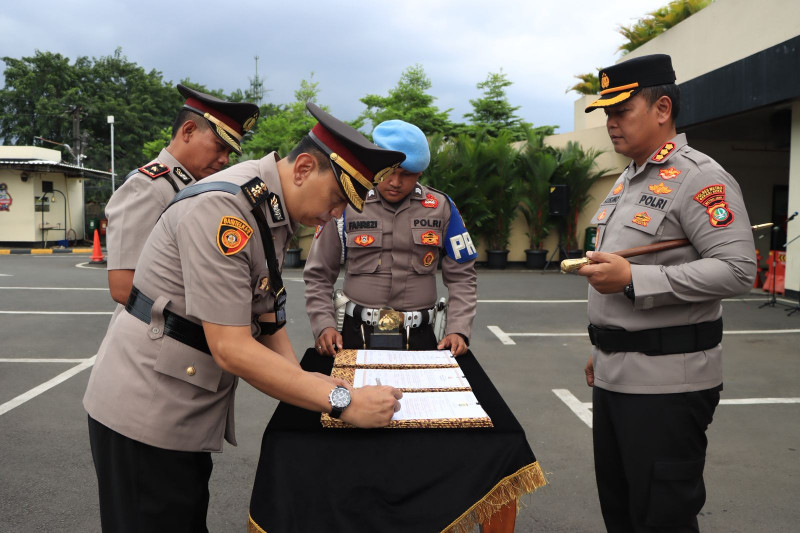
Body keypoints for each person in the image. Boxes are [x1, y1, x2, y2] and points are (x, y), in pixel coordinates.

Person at [83, 103, 405, 532]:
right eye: (336, 200)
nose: (337, 216)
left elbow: (268, 318)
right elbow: (232, 347)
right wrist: (342, 403)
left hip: (181, 404)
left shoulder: (270, 205)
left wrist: (325, 389)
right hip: (146, 410)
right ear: (304, 167)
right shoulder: (224, 210)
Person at [579, 54, 756, 532]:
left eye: (621, 111)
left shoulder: (701, 177)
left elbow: (739, 270)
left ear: (662, 108)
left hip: (668, 385)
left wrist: (635, 281)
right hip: (618, 375)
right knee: (622, 513)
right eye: (607, 115)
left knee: (661, 519)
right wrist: (604, 343)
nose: (611, 124)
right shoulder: (628, 178)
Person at [304, 119, 478, 356]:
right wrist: (324, 324)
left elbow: (463, 277)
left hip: (421, 339)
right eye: (389, 173)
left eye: (407, 175)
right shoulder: (347, 204)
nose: (396, 183)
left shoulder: (441, 207)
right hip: (356, 336)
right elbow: (318, 274)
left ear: (420, 173)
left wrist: (458, 329)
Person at [105, 84, 260, 305]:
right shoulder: (147, 187)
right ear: (188, 131)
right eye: (219, 147)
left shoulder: (197, 189)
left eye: (229, 152)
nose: (225, 160)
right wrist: (209, 318)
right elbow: (123, 286)